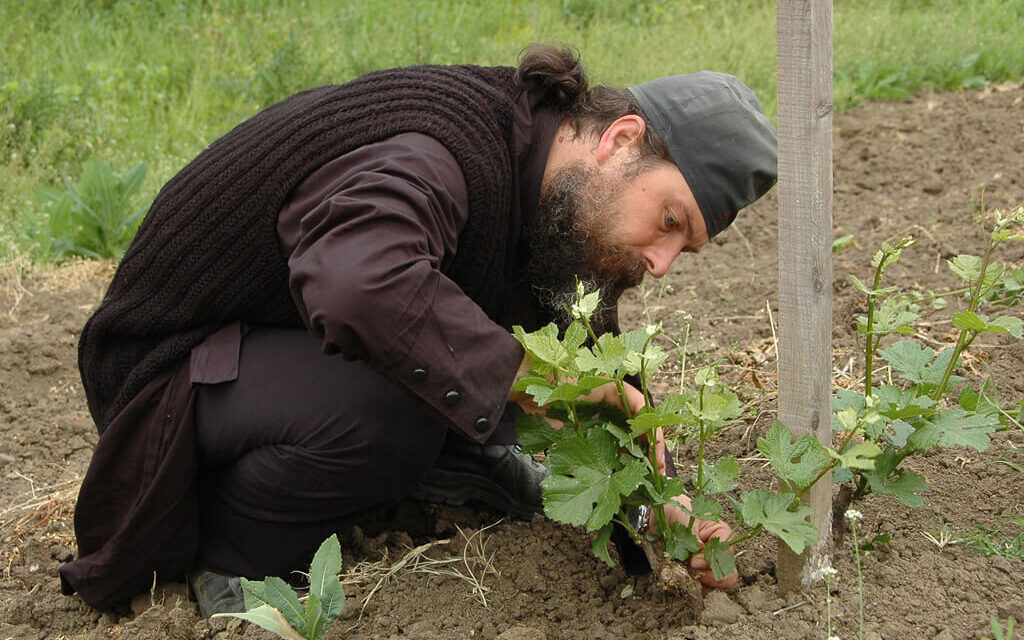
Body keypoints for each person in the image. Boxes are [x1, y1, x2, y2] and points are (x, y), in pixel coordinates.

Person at [59, 43, 777, 616]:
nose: (658, 262)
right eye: (670, 222)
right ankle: (238, 558)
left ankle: (440, 464)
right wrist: (544, 386)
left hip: (272, 355)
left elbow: (595, 367)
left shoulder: (558, 195)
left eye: (683, 248)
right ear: (620, 142)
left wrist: (666, 510)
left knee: (468, 375)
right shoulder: (443, 148)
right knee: (395, 410)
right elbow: (357, 287)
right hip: (169, 371)